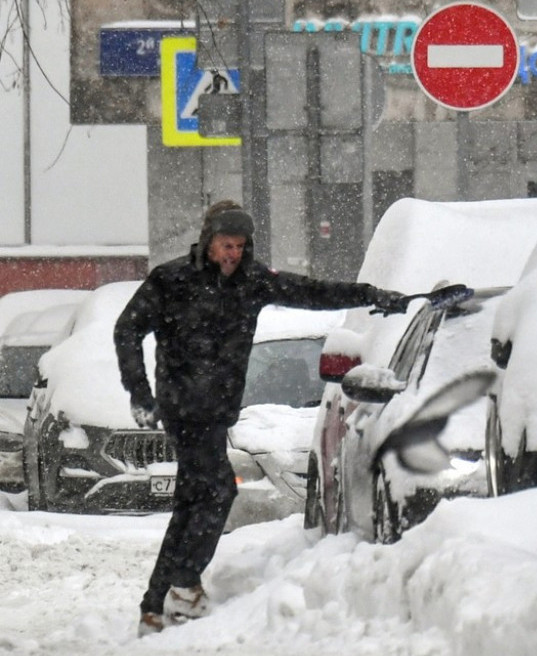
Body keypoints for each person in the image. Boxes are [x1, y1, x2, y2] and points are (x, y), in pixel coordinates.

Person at [114, 200, 406, 637]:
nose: (232, 253)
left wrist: (371, 296)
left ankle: (157, 604)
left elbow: (312, 291)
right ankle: (184, 586)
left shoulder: (253, 282)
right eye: (224, 244)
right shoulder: (172, 280)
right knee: (216, 492)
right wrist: (140, 391)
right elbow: (127, 329)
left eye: (239, 245)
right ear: (208, 241)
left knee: (194, 500)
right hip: (183, 406)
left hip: (217, 409)